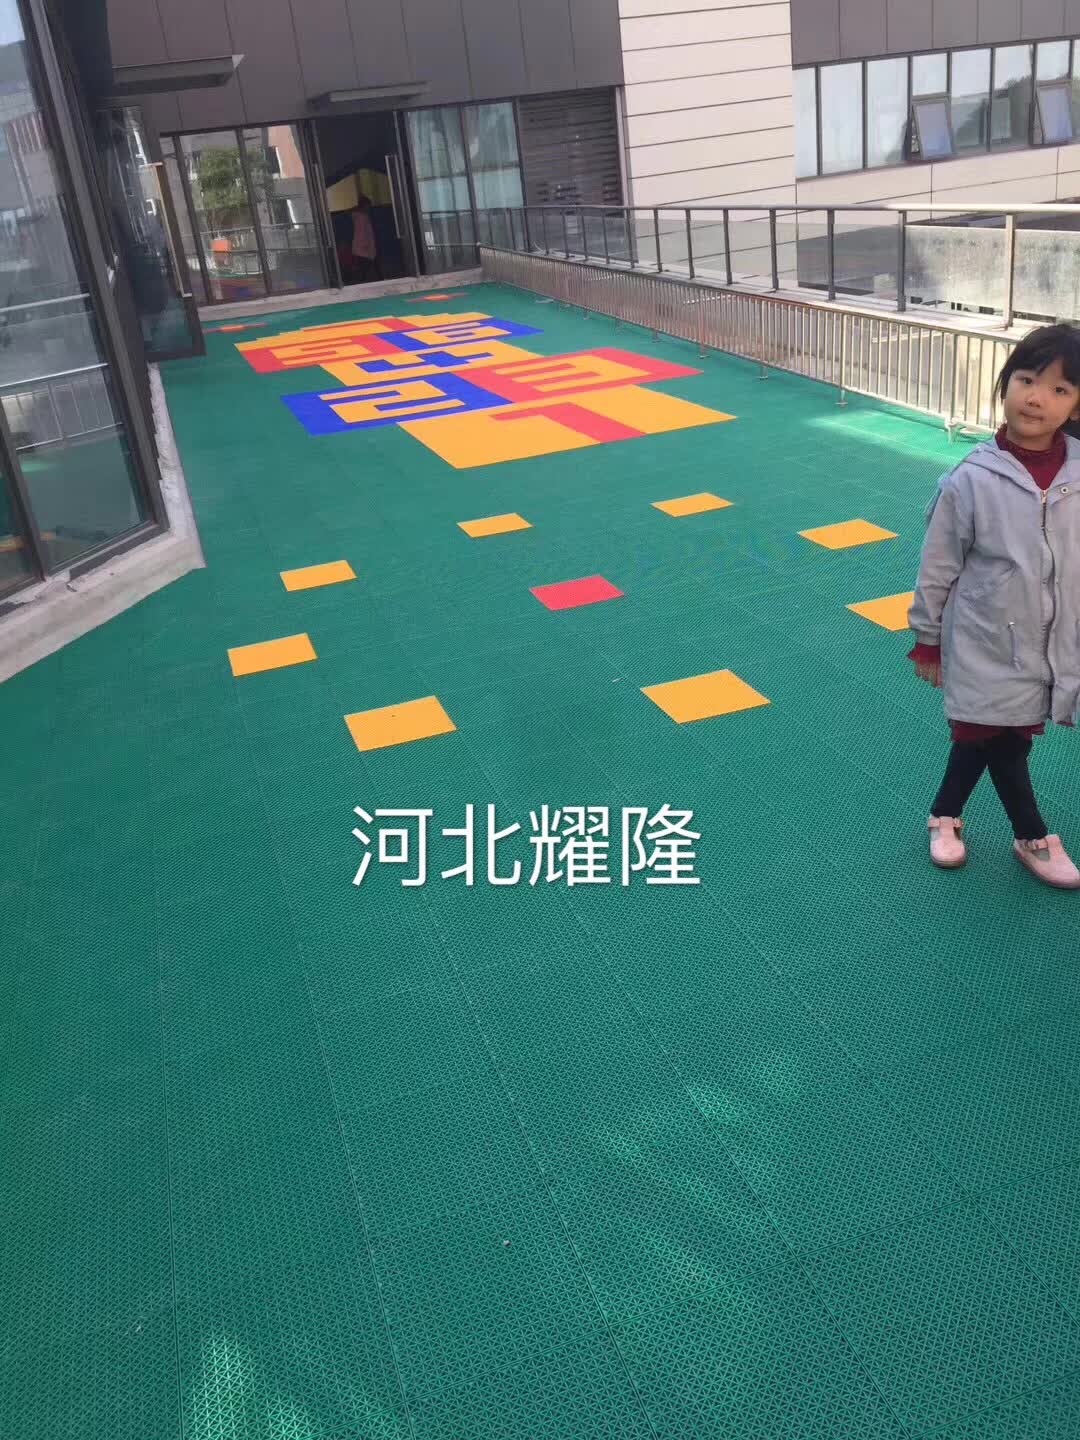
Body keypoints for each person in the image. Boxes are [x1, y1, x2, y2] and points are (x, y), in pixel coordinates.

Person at [909, 322, 1080, 888]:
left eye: (1059, 389)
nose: (1037, 398)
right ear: (1006, 384)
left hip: (1051, 638)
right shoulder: (970, 479)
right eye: (1026, 379)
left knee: (999, 735)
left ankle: (944, 814)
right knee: (997, 738)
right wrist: (927, 637)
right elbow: (938, 566)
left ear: (1076, 405)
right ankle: (1032, 836)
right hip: (985, 636)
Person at [349, 194, 381, 284]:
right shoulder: (362, 217)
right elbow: (362, 233)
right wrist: (366, 246)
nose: (369, 208)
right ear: (364, 206)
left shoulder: (358, 217)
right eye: (368, 206)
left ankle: (379, 278)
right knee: (366, 268)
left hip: (362, 248)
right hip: (365, 248)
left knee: (368, 268)